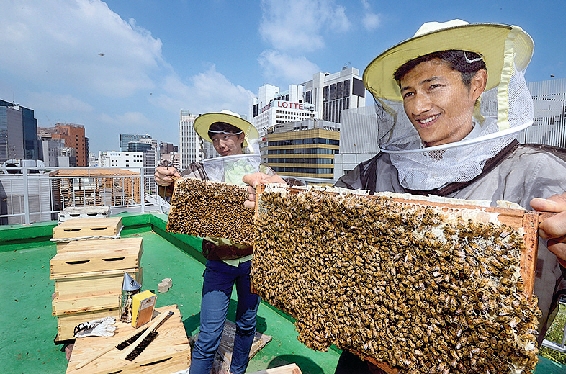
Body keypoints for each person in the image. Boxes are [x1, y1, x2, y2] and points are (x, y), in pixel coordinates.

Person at [244, 19, 566, 373]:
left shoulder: (540, 176)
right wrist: (281, 196)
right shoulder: (378, 170)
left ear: (476, 84)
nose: (417, 106)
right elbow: (322, 211)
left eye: (433, 86)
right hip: (365, 355)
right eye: (409, 92)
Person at [156, 111, 275, 374]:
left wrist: (276, 184)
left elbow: (284, 192)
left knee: (246, 324)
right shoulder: (202, 170)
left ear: (241, 137)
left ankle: (238, 371)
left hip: (253, 262)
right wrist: (165, 182)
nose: (221, 144)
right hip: (219, 262)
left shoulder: (262, 170)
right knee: (209, 334)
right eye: (215, 138)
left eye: (226, 137)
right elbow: (176, 191)